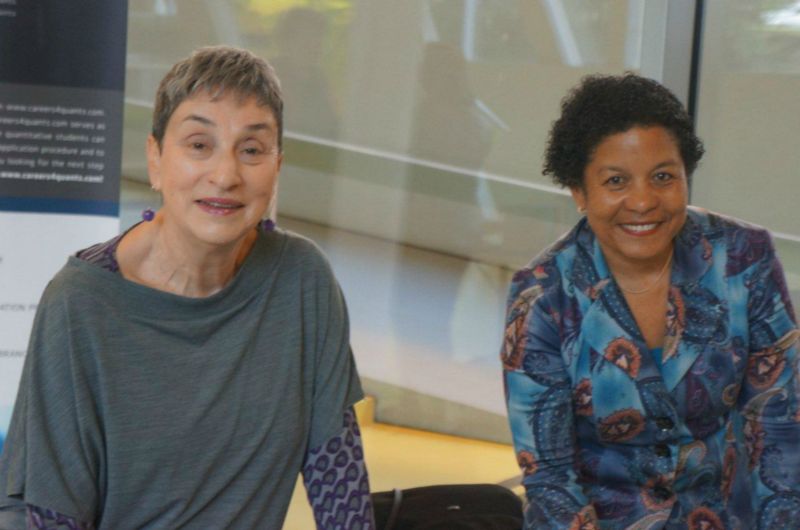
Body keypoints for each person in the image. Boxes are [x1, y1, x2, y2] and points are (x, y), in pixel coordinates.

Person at [0, 46, 375, 529]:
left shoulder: (302, 279)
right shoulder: (81, 302)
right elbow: (53, 516)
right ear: (155, 158)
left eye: (252, 149)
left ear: (277, 166)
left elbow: (339, 483)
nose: (225, 175)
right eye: (199, 145)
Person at [501, 73, 800, 529]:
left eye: (663, 177)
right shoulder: (542, 297)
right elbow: (551, 479)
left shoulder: (743, 258)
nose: (643, 201)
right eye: (616, 181)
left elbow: (779, 423)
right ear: (579, 191)